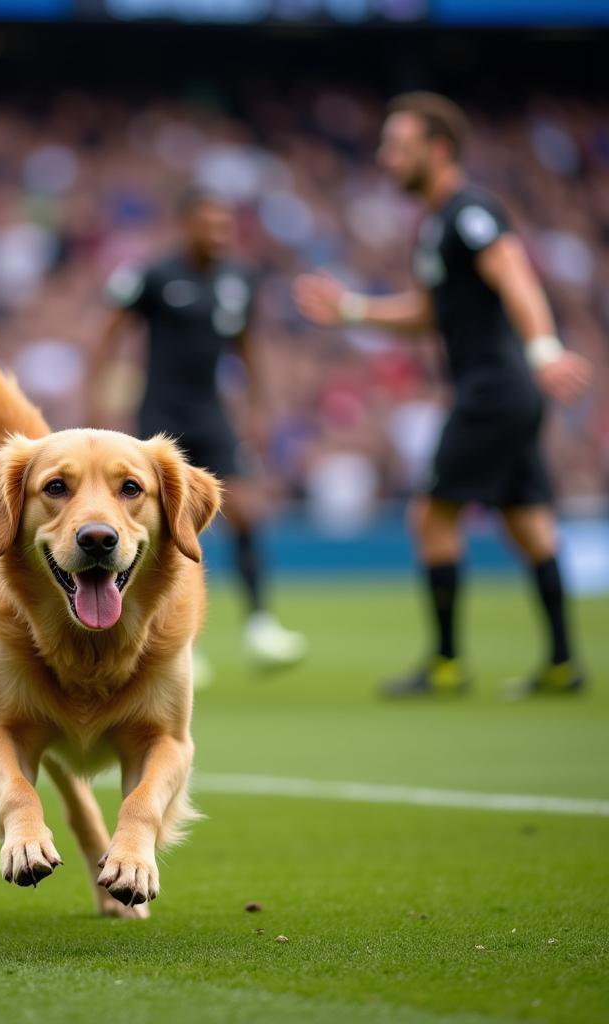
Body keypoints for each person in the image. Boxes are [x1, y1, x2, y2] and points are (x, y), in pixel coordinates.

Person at [293, 92, 592, 698]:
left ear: (439, 149)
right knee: (529, 524)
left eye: (398, 147)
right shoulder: (436, 223)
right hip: (502, 391)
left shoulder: (469, 211)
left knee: (431, 514)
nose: (386, 158)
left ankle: (448, 664)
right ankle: (563, 663)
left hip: (494, 388)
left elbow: (513, 269)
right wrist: (353, 308)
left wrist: (544, 350)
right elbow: (432, 312)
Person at [92, 188, 307, 669]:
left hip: (211, 414)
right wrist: (99, 401)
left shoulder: (239, 279)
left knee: (247, 512)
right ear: (186, 225)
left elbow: (247, 347)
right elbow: (108, 337)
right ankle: (172, 639)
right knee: (165, 528)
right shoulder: (154, 276)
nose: (220, 235)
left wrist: (257, 409)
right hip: (160, 417)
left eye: (225, 226)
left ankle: (260, 625)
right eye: (210, 225)